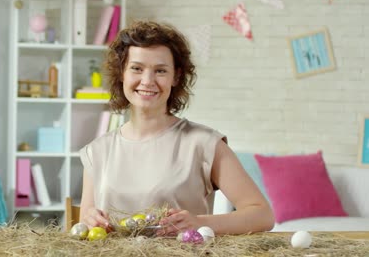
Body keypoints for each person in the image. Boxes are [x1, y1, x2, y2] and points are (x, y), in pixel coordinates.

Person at [79, 20, 274, 236]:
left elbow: (262, 215)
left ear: (176, 76)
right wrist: (89, 219)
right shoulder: (97, 151)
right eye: (136, 68)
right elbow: (86, 226)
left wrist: (199, 223)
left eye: (160, 71)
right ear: (122, 73)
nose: (147, 80)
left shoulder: (204, 143)